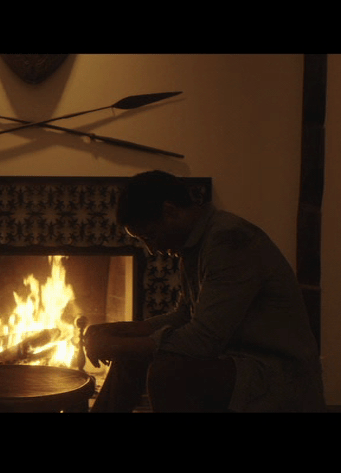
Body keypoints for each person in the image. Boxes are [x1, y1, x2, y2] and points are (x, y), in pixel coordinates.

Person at [85, 170, 326, 412]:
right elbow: (184, 316)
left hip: (277, 375)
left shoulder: (229, 241)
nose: (152, 249)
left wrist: (116, 345)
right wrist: (120, 331)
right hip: (237, 362)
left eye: (150, 236)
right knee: (131, 356)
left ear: (170, 211)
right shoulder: (195, 245)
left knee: (168, 373)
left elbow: (202, 341)